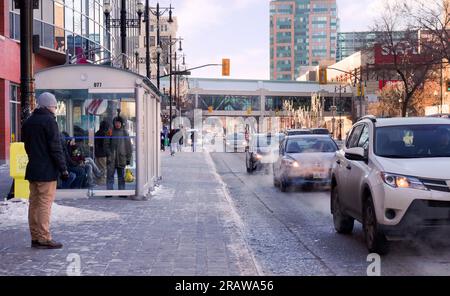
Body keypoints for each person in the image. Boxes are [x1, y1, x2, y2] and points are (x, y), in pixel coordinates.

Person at [22, 92, 69, 249]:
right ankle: (44, 237)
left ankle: (35, 236)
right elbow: (56, 148)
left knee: (34, 203)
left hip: (33, 168)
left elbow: (26, 146)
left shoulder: (28, 122)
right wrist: (63, 169)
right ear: (49, 106)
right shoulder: (49, 122)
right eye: (55, 106)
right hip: (46, 171)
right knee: (44, 204)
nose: (55, 109)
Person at [105, 116, 132, 195]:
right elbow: (106, 144)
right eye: (116, 123)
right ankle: (109, 192)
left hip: (121, 157)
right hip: (111, 158)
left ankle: (122, 192)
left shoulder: (125, 132)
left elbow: (128, 146)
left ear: (121, 124)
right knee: (110, 176)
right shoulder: (110, 132)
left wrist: (128, 158)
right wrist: (109, 154)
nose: (117, 124)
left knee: (121, 176)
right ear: (114, 123)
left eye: (119, 123)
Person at [94, 120, 110, 185]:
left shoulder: (97, 133)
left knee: (98, 168)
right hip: (103, 154)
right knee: (103, 168)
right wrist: (108, 154)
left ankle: (98, 181)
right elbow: (105, 145)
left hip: (97, 153)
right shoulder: (105, 134)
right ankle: (102, 182)